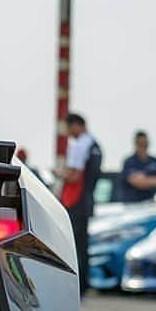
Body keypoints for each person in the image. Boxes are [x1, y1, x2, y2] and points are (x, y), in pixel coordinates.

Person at [55, 112, 102, 296]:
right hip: (86, 201)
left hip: (75, 202)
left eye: (68, 128)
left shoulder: (79, 145)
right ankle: (84, 283)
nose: (67, 133)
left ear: (76, 125)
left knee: (73, 245)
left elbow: (74, 176)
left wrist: (59, 173)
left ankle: (77, 285)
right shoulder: (94, 145)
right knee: (83, 245)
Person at [119, 131, 156, 203]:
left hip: (152, 203)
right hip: (132, 205)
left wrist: (146, 179)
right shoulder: (129, 162)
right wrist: (155, 180)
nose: (143, 147)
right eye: (141, 144)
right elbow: (139, 183)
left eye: (145, 144)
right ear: (136, 144)